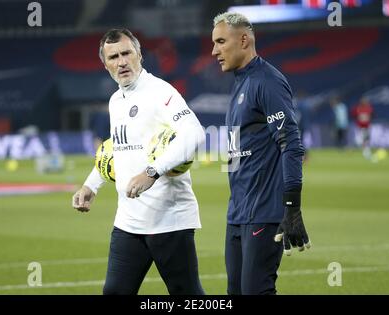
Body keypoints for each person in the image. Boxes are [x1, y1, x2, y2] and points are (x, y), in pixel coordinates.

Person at [72, 28, 206, 295]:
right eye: (113, 57)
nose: (121, 62)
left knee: (187, 295)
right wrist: (90, 185)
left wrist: (152, 172)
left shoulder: (160, 92)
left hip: (168, 219)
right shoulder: (115, 101)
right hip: (129, 222)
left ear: (139, 55)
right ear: (105, 64)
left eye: (126, 53)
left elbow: (195, 133)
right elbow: (116, 150)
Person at [211, 12, 311, 295]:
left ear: (244, 40)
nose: (214, 50)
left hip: (264, 212)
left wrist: (292, 207)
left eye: (220, 41)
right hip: (238, 212)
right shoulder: (240, 82)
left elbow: (290, 143)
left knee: (256, 291)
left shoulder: (267, 81)